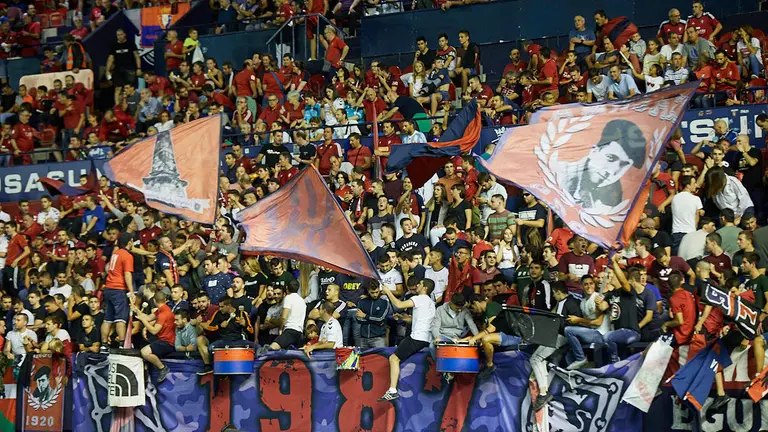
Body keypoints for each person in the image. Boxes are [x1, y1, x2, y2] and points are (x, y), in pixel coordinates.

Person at [552, 119, 646, 210]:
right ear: (594, 151)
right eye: (610, 158)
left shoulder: (613, 198)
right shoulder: (558, 175)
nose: (612, 171)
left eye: (623, 165)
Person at [379, 278, 435, 401]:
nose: (417, 285)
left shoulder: (419, 299)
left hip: (417, 337)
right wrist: (402, 318)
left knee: (393, 358)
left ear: (425, 288)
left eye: (419, 283)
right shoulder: (431, 302)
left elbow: (398, 304)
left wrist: (388, 291)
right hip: (426, 338)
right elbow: (417, 319)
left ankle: (392, 390)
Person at [530, 282, 581, 410]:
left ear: (558, 292)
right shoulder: (562, 303)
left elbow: (574, 324)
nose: (553, 295)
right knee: (537, 359)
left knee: (535, 359)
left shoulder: (571, 303)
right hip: (557, 336)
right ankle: (544, 389)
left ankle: (543, 393)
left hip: (562, 337)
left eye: (553, 293)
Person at [197, 296, 254, 375]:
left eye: (222, 307)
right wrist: (220, 326)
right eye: (219, 306)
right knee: (210, 348)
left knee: (257, 347)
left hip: (238, 339)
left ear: (229, 306)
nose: (220, 308)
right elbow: (210, 327)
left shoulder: (242, 313)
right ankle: (210, 367)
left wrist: (244, 324)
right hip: (222, 340)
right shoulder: (218, 313)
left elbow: (251, 330)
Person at [101, 233, 135, 352]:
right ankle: (122, 344)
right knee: (121, 318)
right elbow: (127, 274)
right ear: (129, 242)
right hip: (119, 289)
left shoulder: (115, 253)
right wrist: (131, 291)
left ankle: (104, 345)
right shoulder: (127, 255)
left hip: (108, 288)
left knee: (108, 318)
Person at [134, 291, 176, 382]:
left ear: (154, 300)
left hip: (167, 343)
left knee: (144, 352)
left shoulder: (163, 313)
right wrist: (136, 310)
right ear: (165, 300)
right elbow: (148, 318)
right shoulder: (161, 309)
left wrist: (144, 322)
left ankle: (162, 368)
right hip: (162, 340)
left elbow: (154, 331)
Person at [260, 280, 306, 354]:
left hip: (290, 331)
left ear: (287, 288)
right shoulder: (302, 300)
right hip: (300, 333)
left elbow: (284, 317)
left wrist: (280, 329)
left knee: (270, 349)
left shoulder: (288, 297)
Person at [429, 293, 479, 360]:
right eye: (457, 308)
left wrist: (478, 337)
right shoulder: (440, 310)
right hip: (442, 336)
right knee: (432, 346)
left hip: (456, 337)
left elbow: (472, 325)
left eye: (461, 308)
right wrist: (437, 337)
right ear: (451, 303)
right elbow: (435, 326)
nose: (459, 310)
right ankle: (439, 364)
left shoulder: (464, 310)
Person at [356, 280, 389, 348]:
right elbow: (358, 319)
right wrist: (375, 321)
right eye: (372, 293)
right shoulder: (361, 302)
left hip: (378, 338)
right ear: (368, 291)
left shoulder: (384, 302)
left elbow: (381, 319)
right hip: (363, 338)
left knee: (380, 358)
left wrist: (365, 316)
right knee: (364, 359)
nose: (375, 295)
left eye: (377, 292)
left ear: (379, 289)